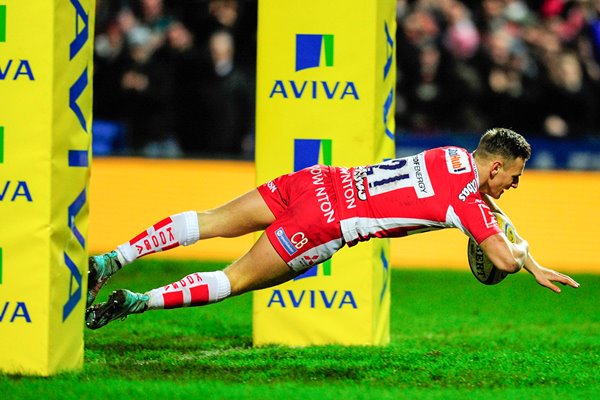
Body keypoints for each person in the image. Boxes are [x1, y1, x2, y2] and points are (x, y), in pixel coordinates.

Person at [85, 128, 579, 329]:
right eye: (514, 175)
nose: (515, 184)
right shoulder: (467, 202)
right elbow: (498, 256)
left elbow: (489, 216)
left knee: (211, 219)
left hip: (319, 182)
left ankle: (115, 257)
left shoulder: (452, 155)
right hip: (324, 225)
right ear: (495, 167)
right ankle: (137, 302)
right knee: (234, 279)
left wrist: (532, 261)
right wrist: (521, 258)